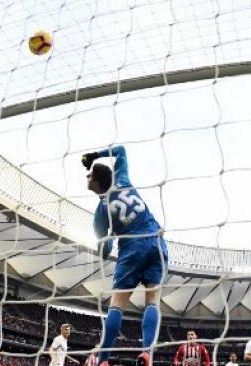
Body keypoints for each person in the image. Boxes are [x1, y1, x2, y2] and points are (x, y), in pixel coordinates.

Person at [82, 146, 168, 366]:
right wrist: (96, 156)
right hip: (156, 241)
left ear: (97, 182)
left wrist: (109, 240)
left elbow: (104, 252)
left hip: (131, 249)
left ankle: (103, 360)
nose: (87, 176)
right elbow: (120, 150)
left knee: (117, 303)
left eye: (90, 175)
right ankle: (147, 352)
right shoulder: (123, 179)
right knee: (152, 300)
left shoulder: (101, 214)